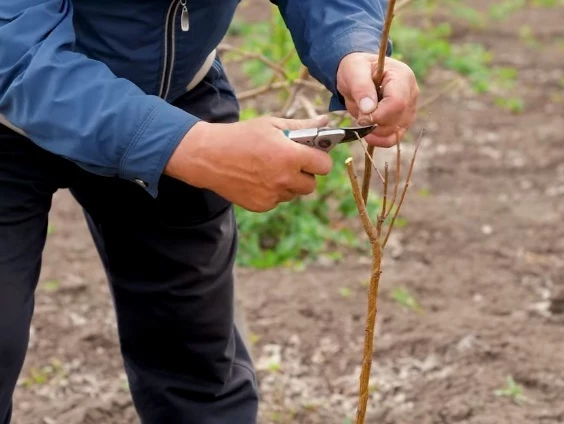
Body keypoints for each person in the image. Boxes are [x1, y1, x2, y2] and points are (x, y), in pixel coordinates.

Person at [0, 0, 419, 423]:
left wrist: (352, 45)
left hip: (175, 94)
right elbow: (11, 49)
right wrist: (191, 147)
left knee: (195, 357)